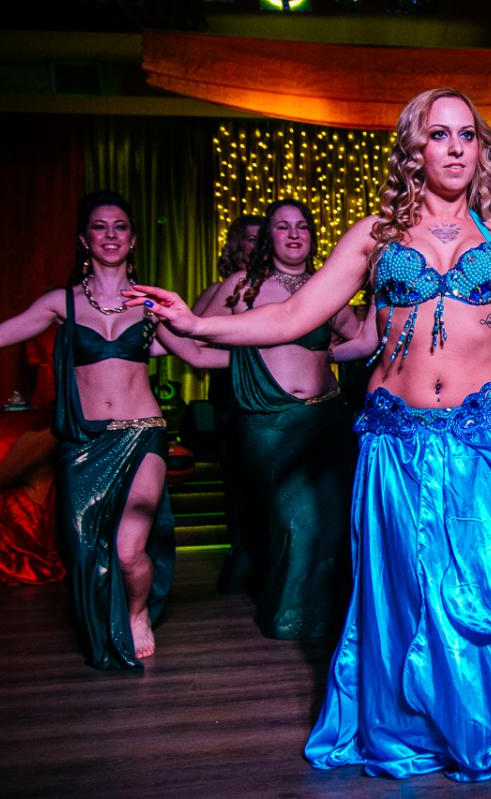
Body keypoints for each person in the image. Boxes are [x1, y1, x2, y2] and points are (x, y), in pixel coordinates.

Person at [127, 89, 491, 781]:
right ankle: (423, 725)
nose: (454, 147)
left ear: (480, 149)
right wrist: (199, 324)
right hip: (399, 443)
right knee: (414, 595)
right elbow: (294, 314)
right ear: (415, 148)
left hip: (486, 434)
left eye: (466, 135)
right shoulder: (377, 235)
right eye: (438, 134)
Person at [0, 190, 224, 670]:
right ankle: (104, 618)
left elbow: (196, 353)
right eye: (99, 226)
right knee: (83, 549)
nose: (110, 235)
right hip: (84, 443)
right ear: (83, 239)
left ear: (133, 240)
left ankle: (137, 613)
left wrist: (275, 353)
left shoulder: (151, 304)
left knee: (129, 552)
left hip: (142, 434)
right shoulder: (61, 303)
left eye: (120, 226)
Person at [217, 198, 358, 640]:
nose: (294, 234)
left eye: (302, 226)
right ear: (268, 237)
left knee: (331, 521)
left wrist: (333, 351)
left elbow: (361, 336)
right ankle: (289, 615)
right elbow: (199, 338)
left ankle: (325, 618)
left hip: (326, 417)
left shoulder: (325, 287)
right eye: (283, 226)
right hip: (270, 422)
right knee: (296, 520)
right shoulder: (243, 286)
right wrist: (245, 362)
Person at [191, 214, 261, 592]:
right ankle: (244, 558)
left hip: (272, 394)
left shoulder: (285, 290)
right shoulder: (222, 290)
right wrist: (246, 359)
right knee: (239, 477)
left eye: (262, 238)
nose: (257, 245)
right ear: (236, 246)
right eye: (250, 238)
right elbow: (192, 339)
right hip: (233, 392)